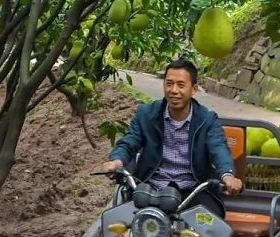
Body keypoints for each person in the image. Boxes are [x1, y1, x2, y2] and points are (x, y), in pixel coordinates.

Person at [103, 57, 243, 201]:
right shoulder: (146, 114)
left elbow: (218, 148)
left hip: (194, 191)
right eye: (169, 84)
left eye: (181, 85)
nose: (174, 90)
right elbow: (129, 141)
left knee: (208, 222)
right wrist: (117, 160)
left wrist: (227, 175)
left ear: (194, 89)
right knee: (125, 220)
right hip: (150, 188)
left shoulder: (207, 119)